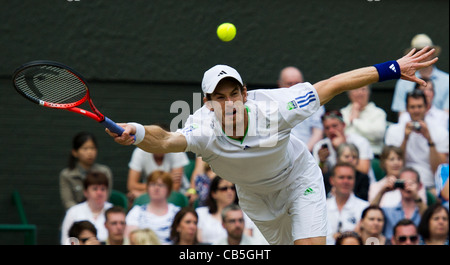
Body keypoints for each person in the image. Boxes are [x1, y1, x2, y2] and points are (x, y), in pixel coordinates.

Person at [106, 46, 438, 245]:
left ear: (245, 93)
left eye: (234, 94)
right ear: (207, 102)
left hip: (298, 179)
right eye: (219, 98)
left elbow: (333, 85)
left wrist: (393, 68)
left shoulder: (277, 107)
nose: (229, 103)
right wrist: (134, 130)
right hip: (254, 197)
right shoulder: (201, 127)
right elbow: (165, 139)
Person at [385, 89, 449, 191]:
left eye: (419, 106)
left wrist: (429, 139)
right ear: (406, 108)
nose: (416, 111)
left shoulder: (440, 132)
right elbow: (391, 165)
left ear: (427, 107)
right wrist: (405, 139)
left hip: (429, 185)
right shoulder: (394, 130)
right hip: (400, 184)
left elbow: (439, 169)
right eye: (412, 107)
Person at [391, 33, 449, 116]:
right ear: (414, 55)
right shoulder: (403, 82)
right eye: (418, 51)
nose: (423, 55)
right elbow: (402, 115)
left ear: (432, 53)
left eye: (427, 51)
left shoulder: (447, 81)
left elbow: (447, 116)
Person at [312, 110, 374, 180]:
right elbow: (317, 177)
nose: (331, 130)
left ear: (343, 125)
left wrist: (341, 148)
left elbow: (364, 170)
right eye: (327, 128)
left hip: (363, 185)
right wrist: (322, 162)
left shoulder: (360, 142)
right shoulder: (320, 146)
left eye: (334, 126)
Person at [59, 132, 113, 210]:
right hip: (76, 216)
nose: (90, 152)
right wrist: (83, 214)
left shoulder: (104, 172)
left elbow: (106, 197)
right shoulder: (66, 175)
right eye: (85, 148)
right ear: (75, 152)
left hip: (99, 212)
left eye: (93, 148)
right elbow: (68, 202)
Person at [371, 167, 427, 240]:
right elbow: (369, 214)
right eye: (403, 183)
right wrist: (382, 191)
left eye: (411, 183)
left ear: (420, 186)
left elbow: (428, 219)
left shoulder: (422, 211)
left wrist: (416, 196)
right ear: (398, 184)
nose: (407, 186)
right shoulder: (388, 212)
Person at [125, 170, 180, 244]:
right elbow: (130, 239)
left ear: (169, 190)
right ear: (147, 188)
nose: (156, 188)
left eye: (161, 185)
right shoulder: (136, 212)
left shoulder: (177, 213)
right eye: (153, 184)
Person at [278, 66, 325, 152]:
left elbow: (318, 132)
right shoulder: (273, 104)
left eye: (297, 83)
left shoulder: (314, 102)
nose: (293, 87)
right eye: (289, 84)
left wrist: (303, 153)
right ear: (280, 85)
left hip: (307, 153)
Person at [61, 171, 112, 245]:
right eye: (95, 189)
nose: (99, 193)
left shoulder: (113, 212)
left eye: (103, 189)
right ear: (85, 192)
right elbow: (66, 242)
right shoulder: (73, 212)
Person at [196, 176, 249, 244]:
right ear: (214, 193)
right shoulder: (201, 213)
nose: (229, 192)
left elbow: (247, 241)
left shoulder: (244, 215)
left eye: (232, 188)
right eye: (224, 189)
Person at [326, 162, 369, 245]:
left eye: (349, 178)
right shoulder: (322, 207)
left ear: (355, 180)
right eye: (341, 177)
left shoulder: (365, 207)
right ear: (332, 180)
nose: (345, 181)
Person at [340, 85, 387, 156]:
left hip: (373, 155)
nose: (360, 93)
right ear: (349, 94)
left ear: (368, 93)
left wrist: (355, 120)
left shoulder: (378, 113)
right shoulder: (342, 113)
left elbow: (378, 135)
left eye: (363, 89)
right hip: (345, 155)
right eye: (355, 90)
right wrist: (353, 112)